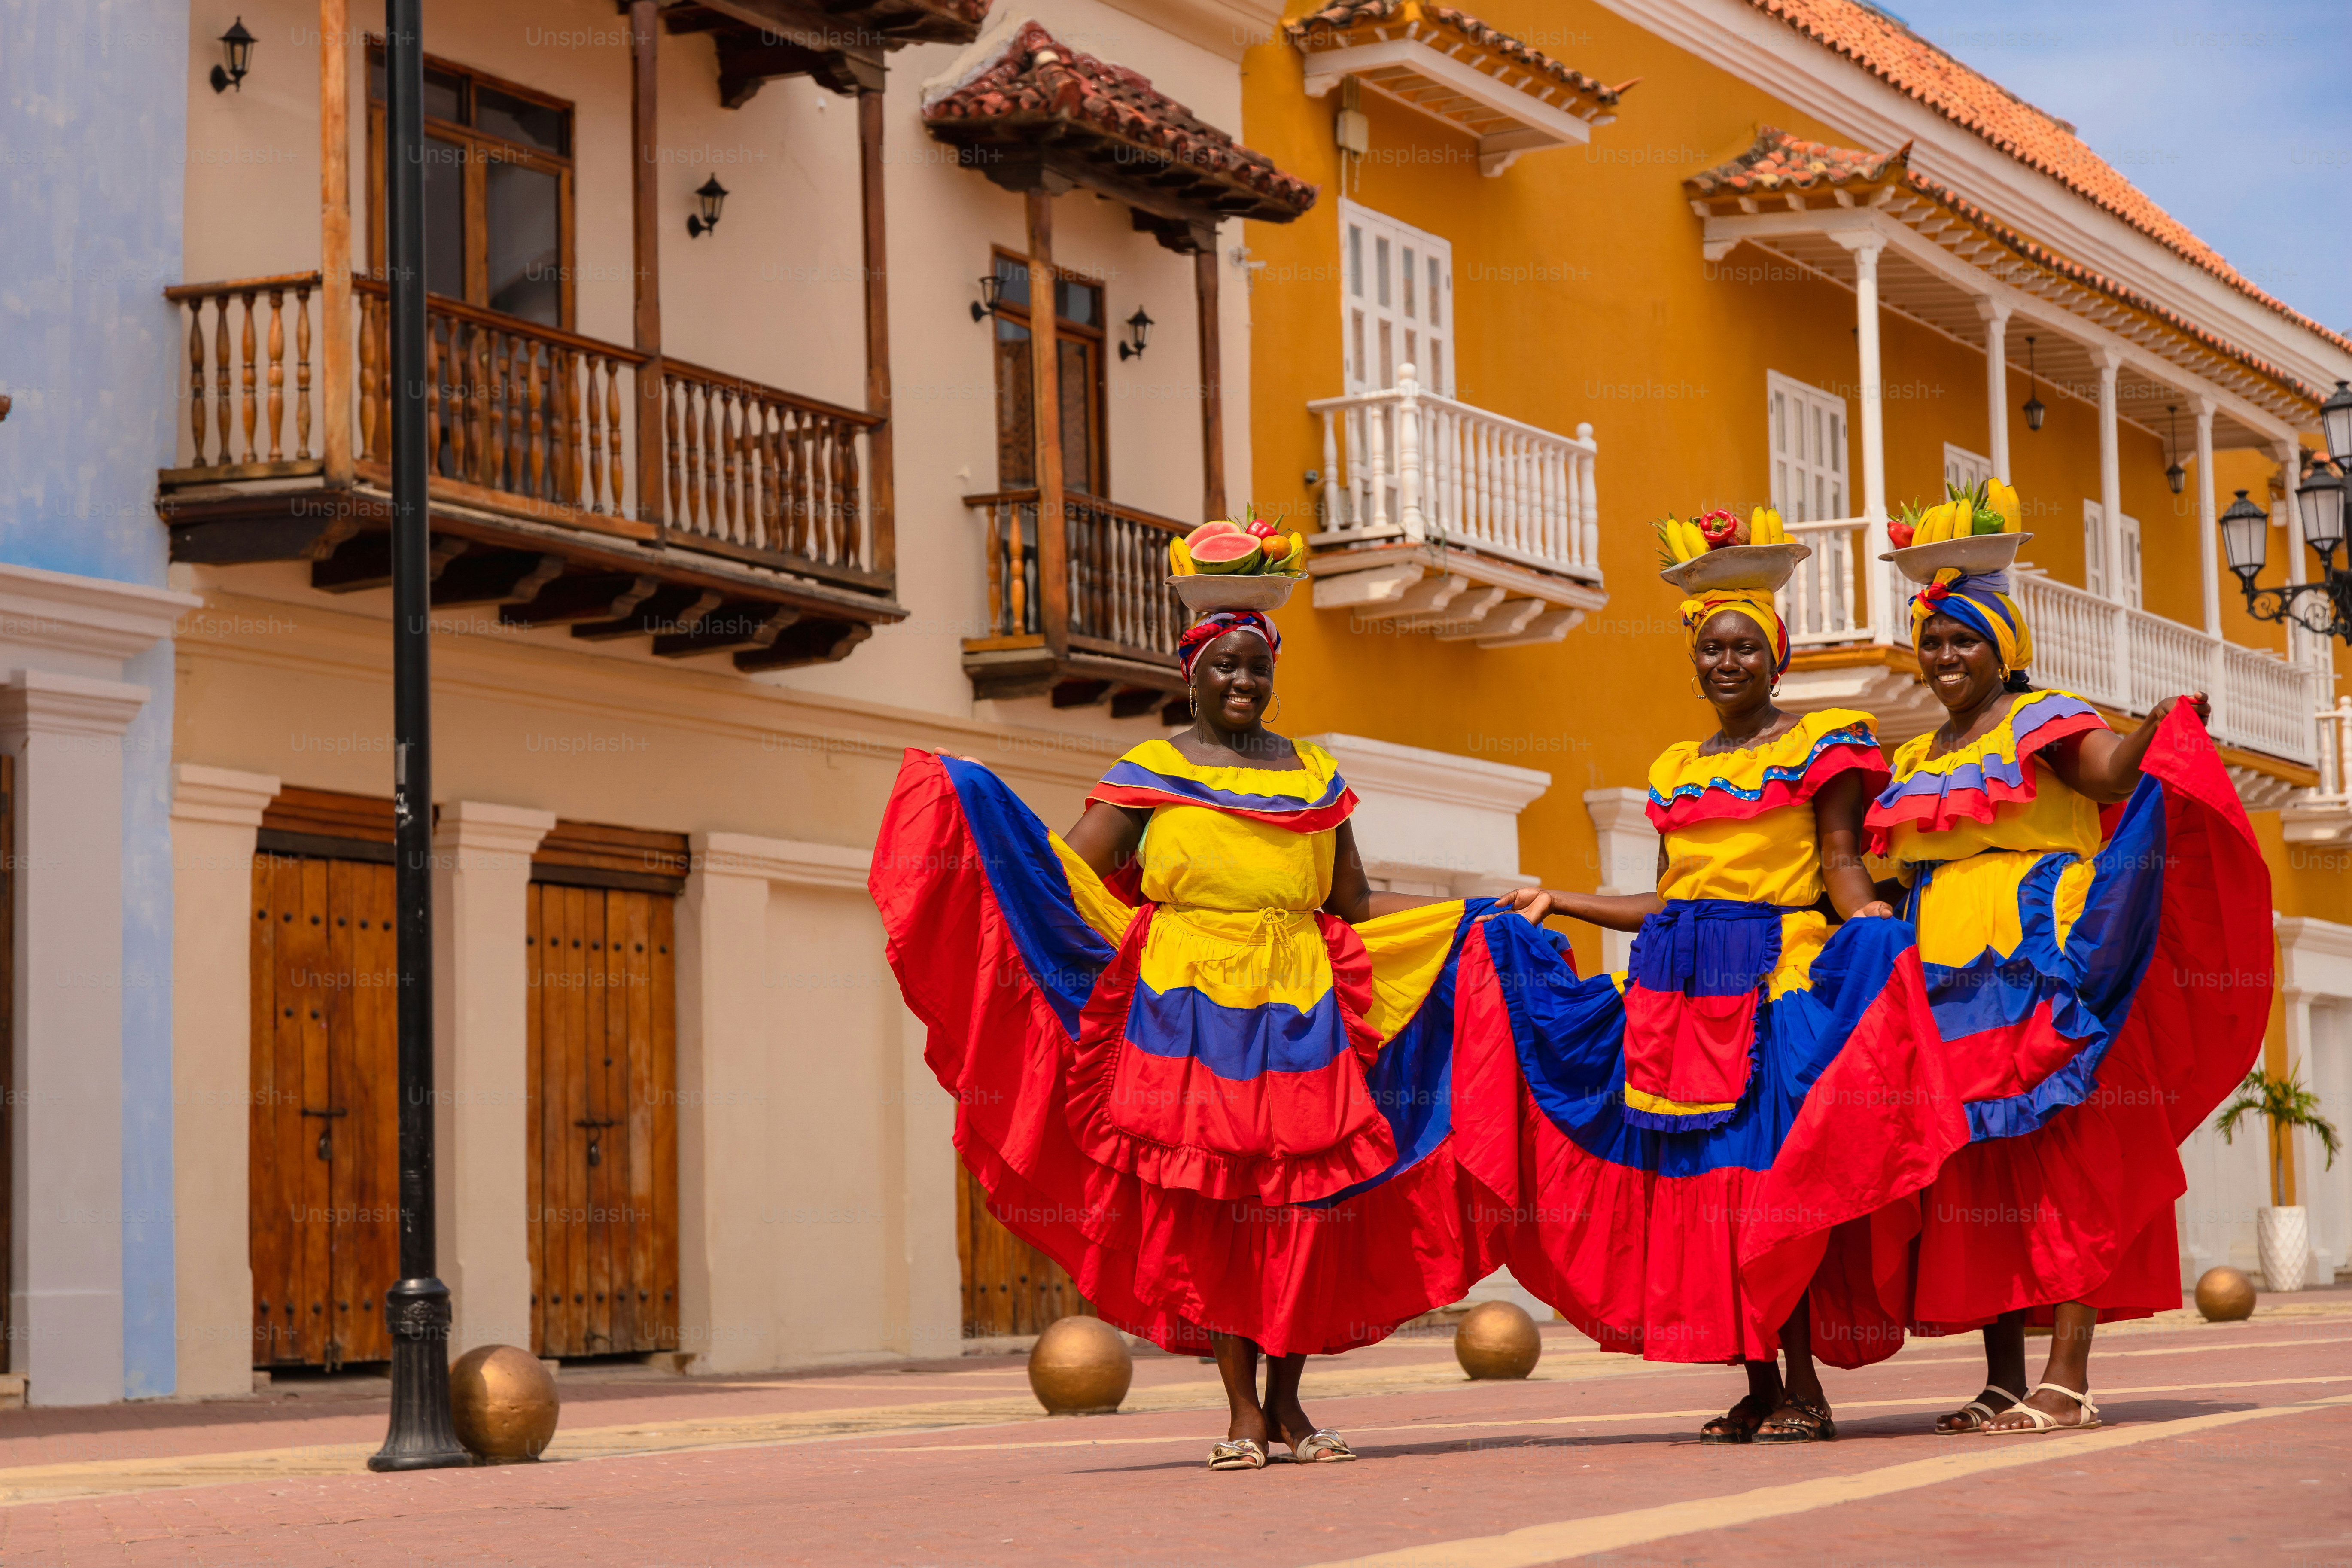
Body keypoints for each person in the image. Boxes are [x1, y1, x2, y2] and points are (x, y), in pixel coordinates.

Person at [871, 608, 1548, 1471]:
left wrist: (1475, 913)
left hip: (1301, 1006)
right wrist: (981, 812)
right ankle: (1241, 1412)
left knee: (1306, 1204)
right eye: (1225, 666)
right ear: (1191, 672)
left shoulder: (1314, 776)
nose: (1242, 682)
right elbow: (1066, 871)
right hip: (1184, 1010)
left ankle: (1290, 1402)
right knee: (1218, 1208)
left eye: (1257, 668)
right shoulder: (1150, 771)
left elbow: (1351, 903)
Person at [1452, 587, 1956, 1443]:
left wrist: (1865, 911)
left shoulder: (1817, 745)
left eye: (1746, 648)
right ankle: (1760, 1385)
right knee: (1718, 1190)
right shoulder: (1677, 768)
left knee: (1771, 1185)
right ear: (1695, 662)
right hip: (1679, 996)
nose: (1728, 662)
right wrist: (1560, 900)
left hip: (1773, 980)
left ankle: (1805, 1388)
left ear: (1776, 659)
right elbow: (1669, 897)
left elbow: (1838, 857)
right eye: (1713, 649)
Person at [1864, 566, 2270, 1433]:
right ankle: (2003, 1378)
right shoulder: (1916, 755)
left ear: (2003, 647)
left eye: (1963, 638)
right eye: (1932, 640)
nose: (1944, 656)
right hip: (1946, 976)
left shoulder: (2041, 716)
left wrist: (2152, 731)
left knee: (2065, 1158)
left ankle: (2069, 1376)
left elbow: (2111, 776)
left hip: (2041, 952)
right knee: (1978, 1172)